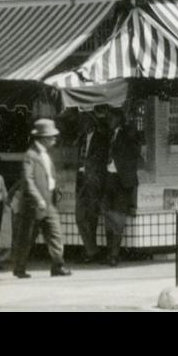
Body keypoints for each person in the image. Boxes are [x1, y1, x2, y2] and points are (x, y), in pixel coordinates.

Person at [8, 119, 72, 278]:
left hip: (48, 202)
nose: (54, 139)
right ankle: (19, 268)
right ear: (43, 138)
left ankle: (58, 265)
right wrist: (38, 199)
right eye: (52, 136)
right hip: (33, 206)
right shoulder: (30, 155)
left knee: (55, 234)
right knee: (27, 238)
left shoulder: (45, 155)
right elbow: (28, 180)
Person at [101, 113, 141, 266]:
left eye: (111, 117)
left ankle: (114, 255)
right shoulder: (110, 135)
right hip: (109, 178)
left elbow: (135, 151)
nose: (109, 120)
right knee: (108, 217)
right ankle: (109, 252)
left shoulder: (126, 134)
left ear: (119, 119)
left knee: (117, 218)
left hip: (122, 180)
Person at [74, 109, 110, 263]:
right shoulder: (82, 138)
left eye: (84, 120)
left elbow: (100, 160)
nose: (81, 123)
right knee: (80, 215)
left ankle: (91, 251)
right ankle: (92, 249)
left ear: (91, 121)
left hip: (94, 181)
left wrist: (87, 167)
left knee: (91, 216)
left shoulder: (100, 138)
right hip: (82, 180)